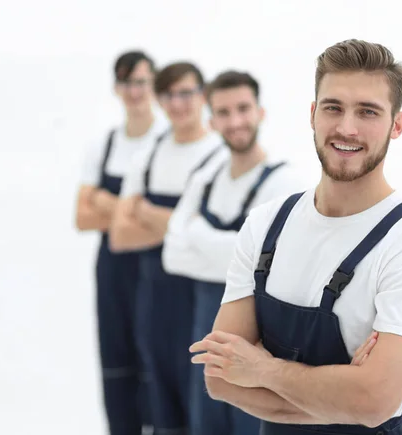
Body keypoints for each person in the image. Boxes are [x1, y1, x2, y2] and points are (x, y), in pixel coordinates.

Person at [189, 39, 402, 434]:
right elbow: (221, 379)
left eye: (368, 112)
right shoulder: (265, 227)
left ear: (396, 124)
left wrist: (263, 368)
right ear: (313, 114)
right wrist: (344, 395)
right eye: (333, 108)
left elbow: (373, 402)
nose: (347, 127)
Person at [162, 70, 311, 435]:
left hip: (256, 348)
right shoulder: (206, 179)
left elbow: (266, 267)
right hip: (204, 340)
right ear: (211, 120)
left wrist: (197, 232)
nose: (236, 121)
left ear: (260, 112)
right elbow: (172, 255)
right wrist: (234, 252)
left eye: (243, 108)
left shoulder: (283, 182)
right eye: (224, 112)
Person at [109, 61, 225, 435]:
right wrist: (180, 225)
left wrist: (145, 211)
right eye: (169, 95)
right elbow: (120, 236)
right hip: (153, 302)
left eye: (187, 93)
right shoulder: (148, 154)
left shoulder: (220, 155)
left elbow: (216, 244)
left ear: (202, 95)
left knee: (203, 406)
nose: (178, 103)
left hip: (202, 302)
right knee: (161, 407)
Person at [74, 50, 166, 435]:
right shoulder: (104, 144)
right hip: (113, 272)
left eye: (142, 81)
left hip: (159, 271)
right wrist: (135, 212)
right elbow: (81, 217)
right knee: (117, 359)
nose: (135, 91)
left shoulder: (167, 142)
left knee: (158, 362)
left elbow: (173, 229)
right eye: (127, 82)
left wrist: (104, 201)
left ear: (154, 85)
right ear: (117, 88)